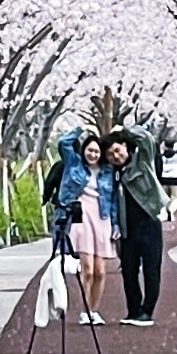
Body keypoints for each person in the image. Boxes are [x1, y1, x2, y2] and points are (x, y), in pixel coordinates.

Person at [109, 128, 167, 324]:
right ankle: (134, 311)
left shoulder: (142, 161)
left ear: (125, 146)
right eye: (110, 155)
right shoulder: (111, 173)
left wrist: (125, 131)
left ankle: (147, 311)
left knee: (152, 269)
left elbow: (146, 138)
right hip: (127, 229)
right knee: (128, 270)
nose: (116, 157)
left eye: (117, 150)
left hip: (149, 223)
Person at [57, 130, 115, 318]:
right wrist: (80, 129)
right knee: (87, 270)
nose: (93, 154)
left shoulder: (108, 171)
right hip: (81, 217)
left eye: (97, 151)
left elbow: (113, 200)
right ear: (83, 151)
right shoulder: (74, 164)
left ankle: (94, 310)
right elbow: (64, 143)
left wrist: (115, 225)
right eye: (90, 150)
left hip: (102, 218)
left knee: (100, 271)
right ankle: (84, 311)